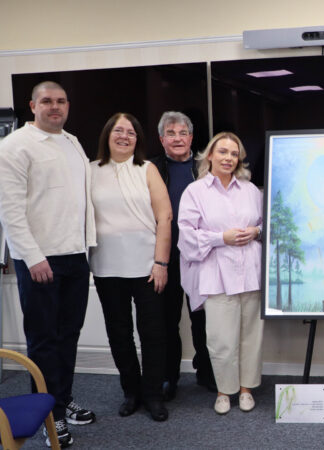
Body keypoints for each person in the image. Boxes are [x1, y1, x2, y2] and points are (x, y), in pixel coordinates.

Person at [0, 81, 97, 448]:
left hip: (75, 256)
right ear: (32, 105)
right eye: (47, 101)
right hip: (40, 259)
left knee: (68, 336)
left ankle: (61, 399)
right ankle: (49, 417)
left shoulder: (72, 142)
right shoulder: (14, 147)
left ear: (68, 106)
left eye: (60, 101)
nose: (54, 107)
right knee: (43, 340)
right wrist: (33, 257)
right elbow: (9, 210)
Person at [89, 113, 171, 422]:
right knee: (118, 333)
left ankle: (152, 394)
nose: (125, 136)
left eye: (131, 132)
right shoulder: (90, 171)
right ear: (107, 135)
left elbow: (165, 217)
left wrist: (161, 263)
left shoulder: (147, 169)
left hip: (147, 266)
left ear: (138, 138)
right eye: (119, 130)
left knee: (153, 333)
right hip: (107, 267)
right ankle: (131, 391)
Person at [177, 131, 264, 414]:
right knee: (221, 339)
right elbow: (186, 236)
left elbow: (267, 225)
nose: (228, 158)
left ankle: (247, 389)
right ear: (210, 155)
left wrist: (257, 230)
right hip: (217, 275)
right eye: (223, 152)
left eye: (234, 153)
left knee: (250, 336)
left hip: (251, 273)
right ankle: (225, 390)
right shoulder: (196, 192)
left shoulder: (251, 191)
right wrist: (220, 238)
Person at [151, 111, 215, 400]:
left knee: (203, 319)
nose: (177, 138)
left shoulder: (207, 168)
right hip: (166, 259)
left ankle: (207, 372)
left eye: (182, 133)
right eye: (171, 133)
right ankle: (169, 378)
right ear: (162, 139)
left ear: (191, 137)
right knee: (167, 322)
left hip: (201, 258)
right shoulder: (151, 169)